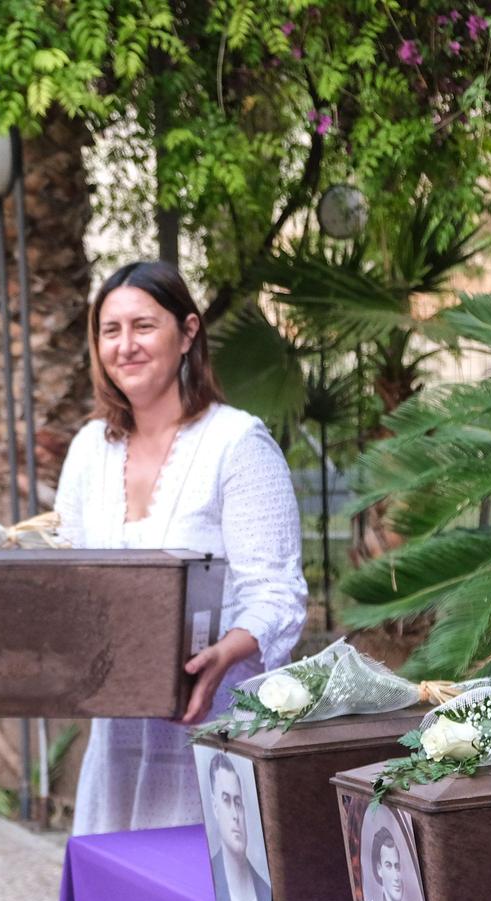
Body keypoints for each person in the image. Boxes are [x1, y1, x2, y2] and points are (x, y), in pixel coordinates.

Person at [56, 261, 308, 835]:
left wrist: (223, 655)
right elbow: (65, 582)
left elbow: (277, 595)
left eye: (143, 326)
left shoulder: (235, 444)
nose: (126, 345)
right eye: (109, 330)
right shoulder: (89, 449)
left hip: (216, 743)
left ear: (188, 332)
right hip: (114, 752)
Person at [204, 752, 274, 901]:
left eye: (238, 802)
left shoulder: (264, 889)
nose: (235, 815)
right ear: (215, 807)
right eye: (226, 800)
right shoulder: (212, 878)